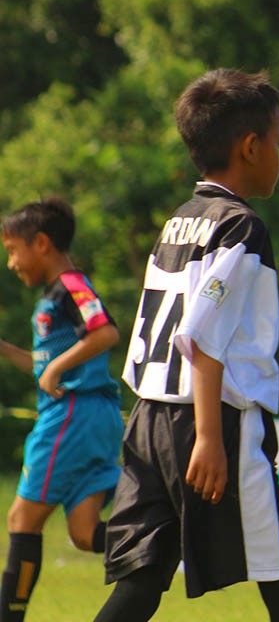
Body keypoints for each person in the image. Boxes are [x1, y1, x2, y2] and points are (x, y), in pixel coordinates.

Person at [94, 69, 279, 622]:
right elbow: (202, 335)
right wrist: (211, 438)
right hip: (210, 420)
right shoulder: (240, 227)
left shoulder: (179, 221)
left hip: (148, 418)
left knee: (141, 584)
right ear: (251, 147)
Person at [0, 198, 124, 622]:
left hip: (72, 415)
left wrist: (56, 368)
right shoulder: (56, 295)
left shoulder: (71, 285)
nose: (11, 263)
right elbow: (45, 369)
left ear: (41, 243)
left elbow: (105, 332)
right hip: (92, 416)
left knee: (22, 519)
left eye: (12, 250)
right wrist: (8, 351)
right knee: (85, 533)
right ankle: (171, 536)